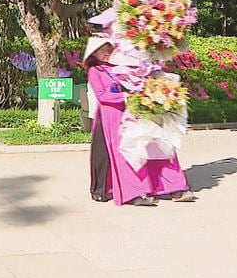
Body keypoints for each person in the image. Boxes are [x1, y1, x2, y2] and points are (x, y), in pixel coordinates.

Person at [84, 37, 195, 206]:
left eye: (108, 48)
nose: (106, 52)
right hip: (112, 115)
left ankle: (172, 186)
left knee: (155, 145)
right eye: (101, 50)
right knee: (125, 152)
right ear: (94, 53)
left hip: (135, 111)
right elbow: (103, 96)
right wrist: (126, 97)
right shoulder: (95, 70)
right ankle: (134, 191)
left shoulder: (121, 66)